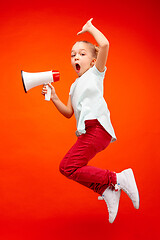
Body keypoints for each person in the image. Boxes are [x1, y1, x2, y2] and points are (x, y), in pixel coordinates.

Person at [42, 18, 139, 223]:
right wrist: (55, 97)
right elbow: (69, 112)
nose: (76, 57)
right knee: (70, 168)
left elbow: (104, 45)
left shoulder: (96, 74)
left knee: (67, 166)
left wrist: (90, 29)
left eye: (82, 53)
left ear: (94, 61)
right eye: (73, 54)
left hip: (98, 129)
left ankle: (118, 179)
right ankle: (108, 189)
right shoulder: (74, 86)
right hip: (87, 132)